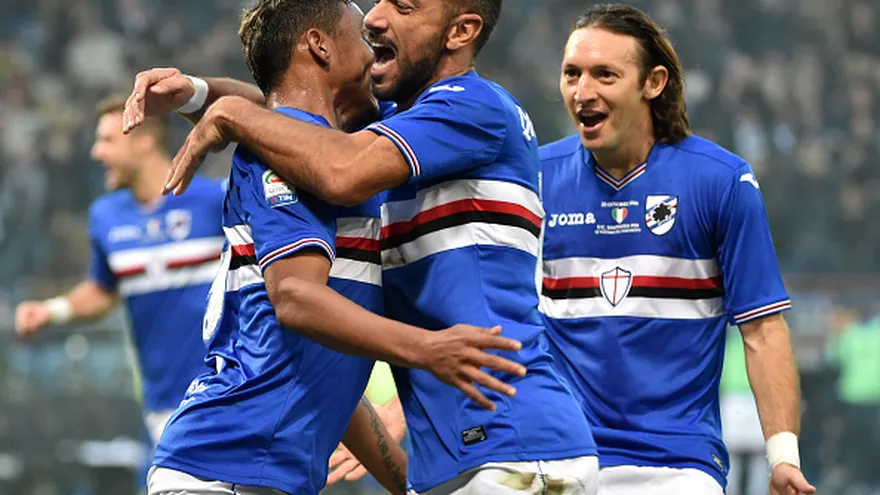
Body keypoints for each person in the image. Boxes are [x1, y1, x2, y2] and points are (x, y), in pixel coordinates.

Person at [127, 0, 600, 493]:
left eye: (403, 6)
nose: (374, 18)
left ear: (460, 31)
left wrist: (225, 110)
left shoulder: (463, 106)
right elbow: (297, 115)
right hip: (240, 466)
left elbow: (331, 158)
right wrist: (204, 97)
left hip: (509, 438)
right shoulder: (323, 149)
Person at [536, 4, 815, 495]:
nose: (583, 92)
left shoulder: (721, 182)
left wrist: (783, 457)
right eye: (572, 74)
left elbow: (763, 330)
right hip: (559, 458)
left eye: (605, 75)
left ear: (653, 82)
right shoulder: (535, 180)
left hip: (677, 466)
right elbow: (491, 313)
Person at [14, 96, 224, 447]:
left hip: (225, 400)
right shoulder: (105, 217)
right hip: (161, 410)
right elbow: (103, 290)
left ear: (144, 140)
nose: (96, 153)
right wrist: (51, 310)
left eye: (108, 140)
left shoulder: (216, 201)